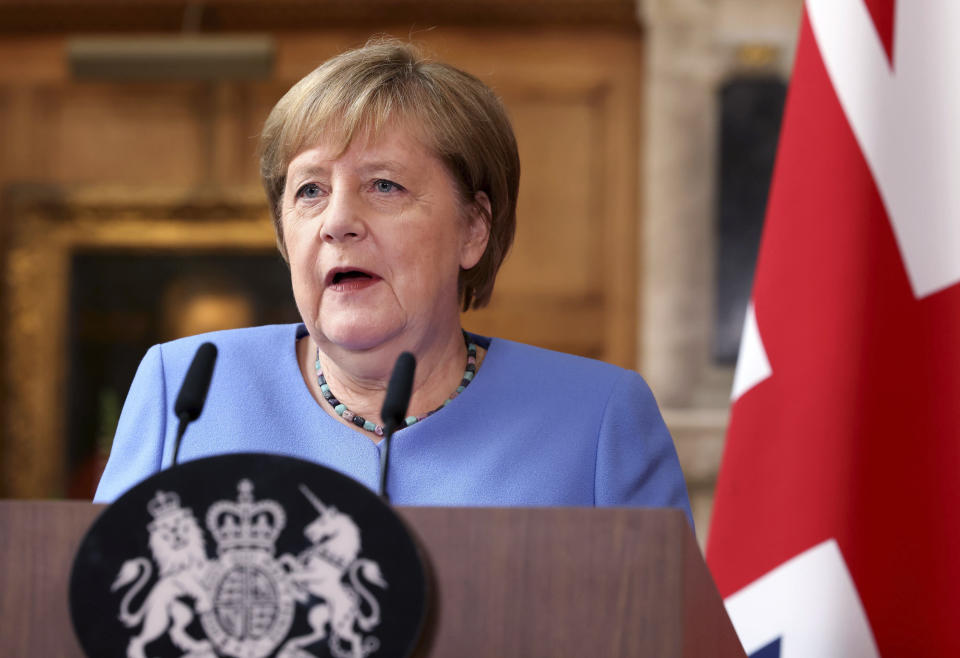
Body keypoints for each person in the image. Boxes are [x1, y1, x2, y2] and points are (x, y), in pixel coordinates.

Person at [94, 39, 692, 523]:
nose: (338, 223)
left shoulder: (597, 421)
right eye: (310, 191)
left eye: (384, 185)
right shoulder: (187, 393)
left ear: (473, 229)